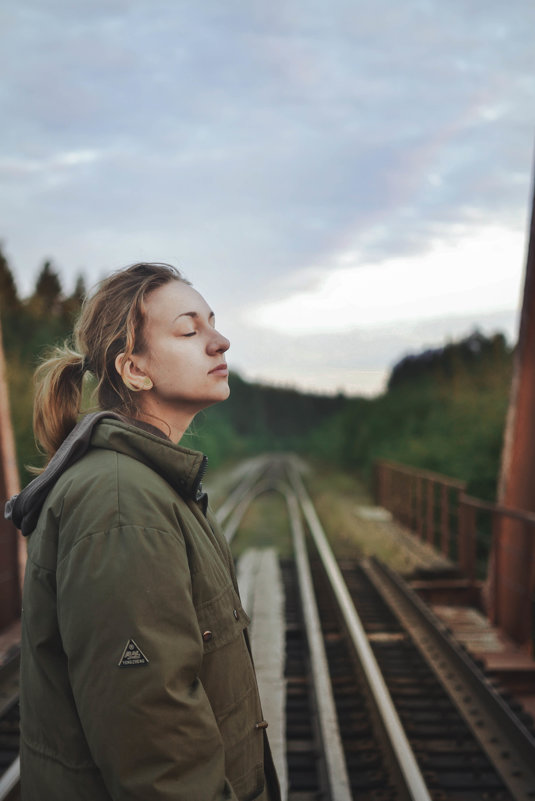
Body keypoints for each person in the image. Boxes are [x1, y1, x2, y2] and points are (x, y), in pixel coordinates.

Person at [5, 262, 281, 801]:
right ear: (134, 370)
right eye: (189, 330)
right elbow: (156, 745)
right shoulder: (119, 501)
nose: (220, 341)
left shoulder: (147, 483)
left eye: (213, 323)